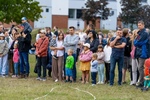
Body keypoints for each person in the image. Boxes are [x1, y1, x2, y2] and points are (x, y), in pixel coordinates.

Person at [134, 21, 149, 88]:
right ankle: (142, 81)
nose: (138, 26)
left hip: (144, 52)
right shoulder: (139, 33)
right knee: (140, 68)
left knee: (141, 67)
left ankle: (142, 82)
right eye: (138, 25)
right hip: (139, 52)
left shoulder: (144, 33)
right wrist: (137, 42)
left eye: (140, 25)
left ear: (143, 25)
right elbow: (135, 42)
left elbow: (139, 42)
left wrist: (137, 42)